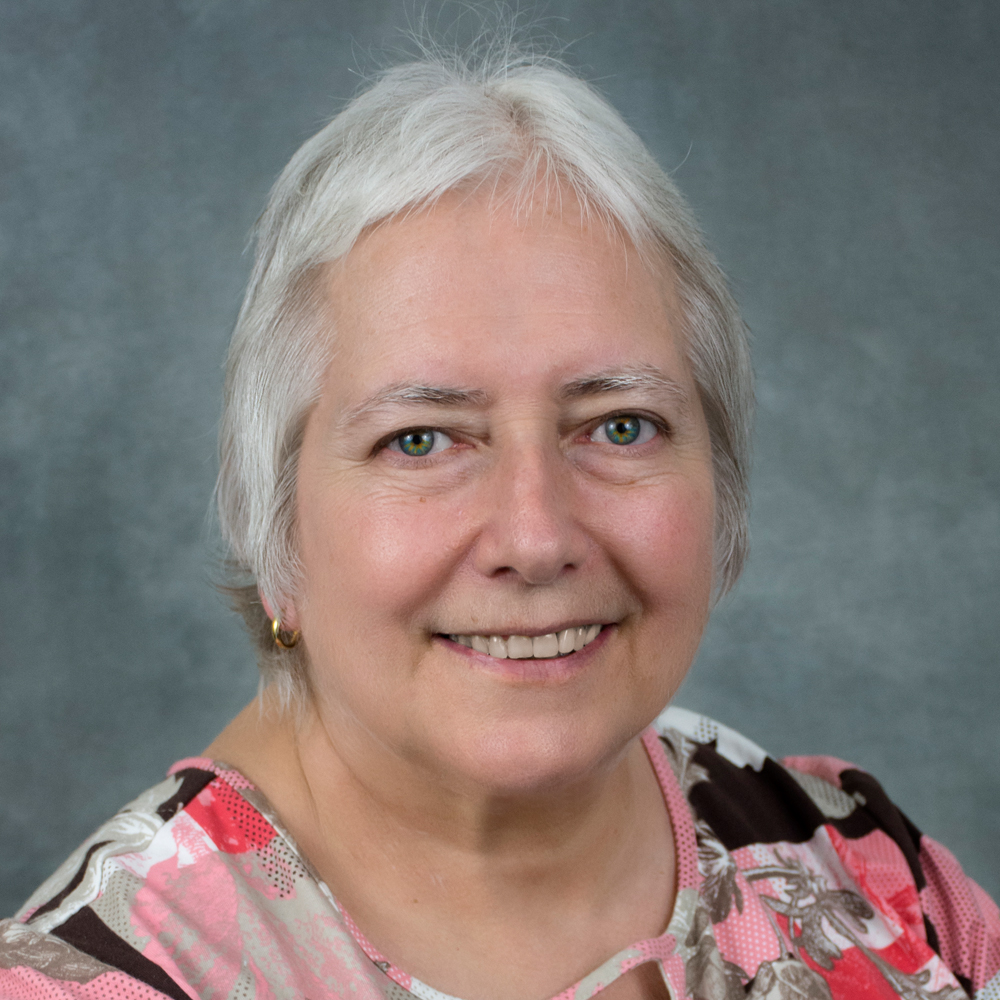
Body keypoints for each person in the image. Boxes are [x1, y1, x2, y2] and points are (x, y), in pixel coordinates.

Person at [1, 38, 997, 1000]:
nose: (535, 537)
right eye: (422, 439)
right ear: (279, 534)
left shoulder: (869, 873)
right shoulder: (96, 981)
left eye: (619, 425)